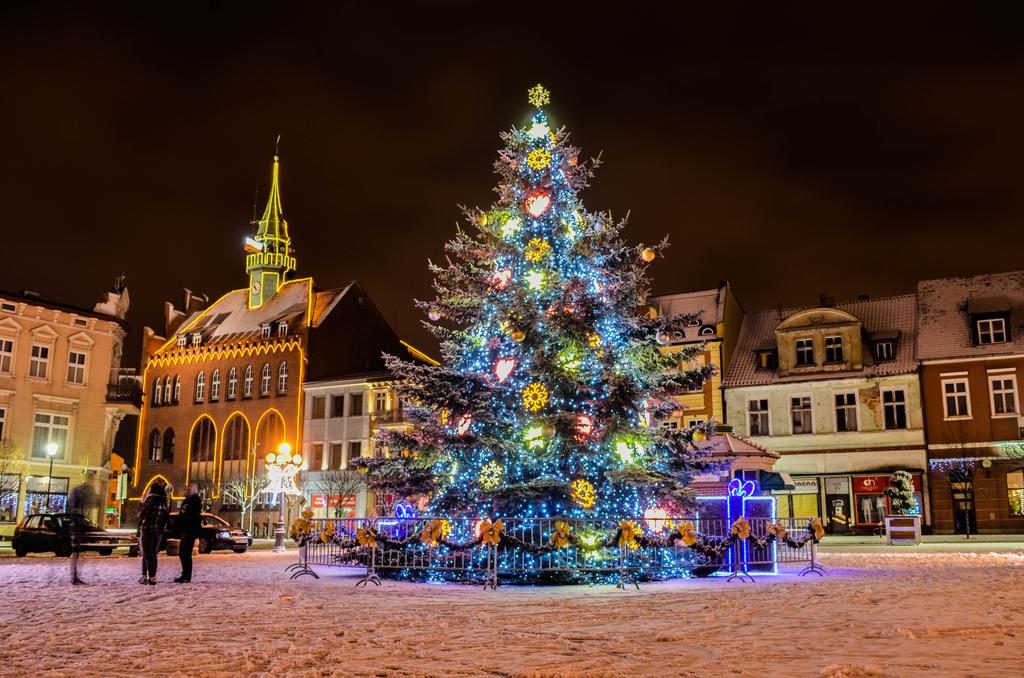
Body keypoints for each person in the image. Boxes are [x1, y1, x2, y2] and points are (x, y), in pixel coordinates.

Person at [67, 479, 99, 585]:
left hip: (77, 529)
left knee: (78, 554)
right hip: (78, 529)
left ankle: (75, 576)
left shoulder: (76, 498)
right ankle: (75, 577)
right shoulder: (77, 511)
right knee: (77, 553)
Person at [137, 483, 169, 585]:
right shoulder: (163, 502)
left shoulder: (150, 500)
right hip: (158, 532)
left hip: (148, 530)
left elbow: (142, 513)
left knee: (148, 554)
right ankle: (151, 576)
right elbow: (165, 517)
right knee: (152, 555)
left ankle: (151, 577)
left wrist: (141, 503)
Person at [175, 483, 202, 583]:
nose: (185, 491)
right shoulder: (186, 501)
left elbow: (192, 517)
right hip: (184, 530)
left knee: (186, 554)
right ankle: (184, 574)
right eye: (185, 489)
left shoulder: (194, 501)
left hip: (189, 531)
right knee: (182, 553)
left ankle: (187, 576)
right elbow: (181, 515)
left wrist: (188, 529)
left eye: (188, 490)